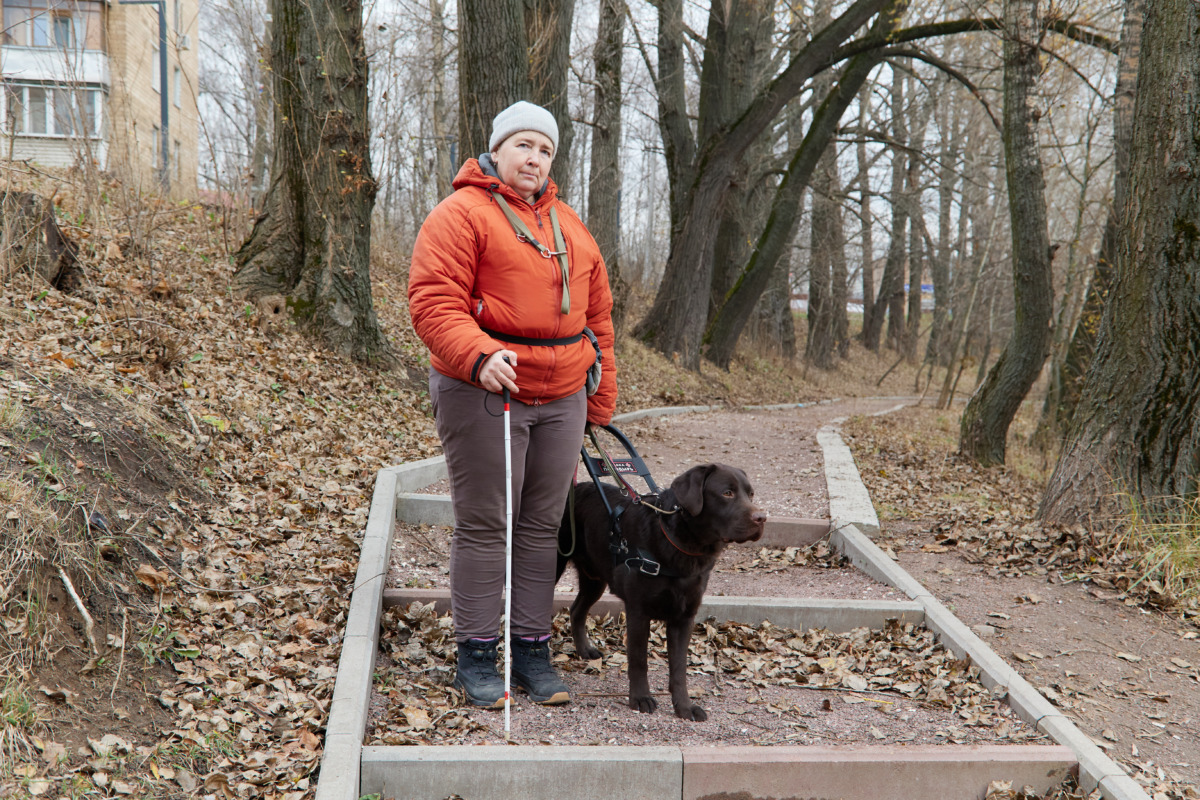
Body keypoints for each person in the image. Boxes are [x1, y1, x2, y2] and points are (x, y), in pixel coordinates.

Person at [407, 101, 617, 708]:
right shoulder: (460, 214)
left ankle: (531, 648)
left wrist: (597, 401)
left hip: (562, 397)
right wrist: (478, 355)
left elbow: (598, 317)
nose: (534, 158)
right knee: (486, 524)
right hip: (484, 391)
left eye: (545, 149)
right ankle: (475, 653)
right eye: (524, 145)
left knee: (543, 528)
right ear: (497, 149)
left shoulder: (571, 227)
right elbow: (432, 299)